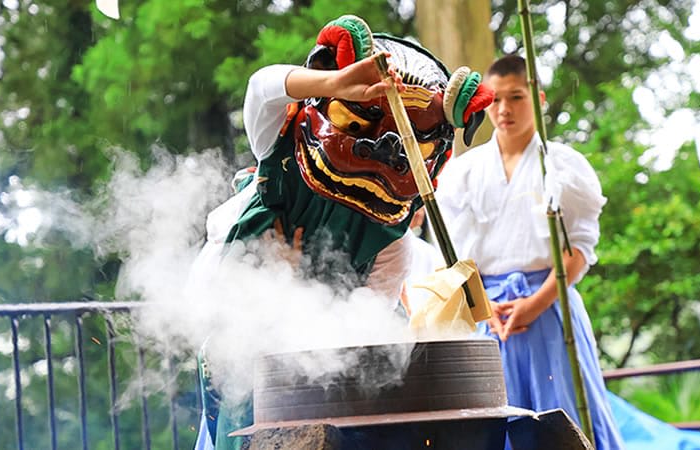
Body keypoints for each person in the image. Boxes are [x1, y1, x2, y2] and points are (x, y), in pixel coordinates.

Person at [194, 15, 493, 450]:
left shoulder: (393, 243)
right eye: (357, 123)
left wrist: (295, 284)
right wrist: (332, 84)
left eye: (408, 141)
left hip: (333, 369)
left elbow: (362, 330)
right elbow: (262, 87)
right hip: (252, 346)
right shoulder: (279, 155)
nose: (380, 147)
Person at [435, 54, 625, 449]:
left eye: (516, 97)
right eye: (497, 99)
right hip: (488, 313)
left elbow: (580, 250)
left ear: (537, 98)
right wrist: (484, 303)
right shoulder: (464, 172)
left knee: (566, 416)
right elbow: (453, 253)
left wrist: (535, 305)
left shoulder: (564, 165)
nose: (504, 109)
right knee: (495, 424)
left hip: (550, 307)